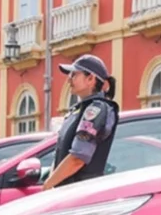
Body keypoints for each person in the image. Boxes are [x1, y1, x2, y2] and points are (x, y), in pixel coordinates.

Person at [42, 54, 119, 190]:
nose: (69, 80)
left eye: (74, 75)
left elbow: (78, 157)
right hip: (70, 191)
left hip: (81, 192)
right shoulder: (79, 110)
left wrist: (48, 185)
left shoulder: (96, 109)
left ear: (91, 79)